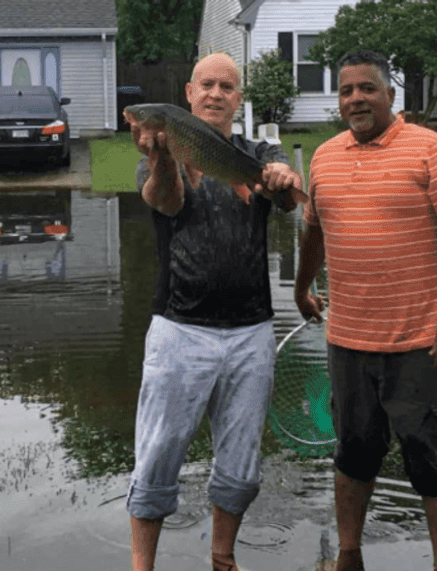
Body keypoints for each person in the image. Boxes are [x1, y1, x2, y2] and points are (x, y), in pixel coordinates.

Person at [294, 50, 437, 571]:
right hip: (348, 341)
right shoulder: (324, 157)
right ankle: (348, 556)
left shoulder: (432, 150)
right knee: (352, 457)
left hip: (420, 345)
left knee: (433, 464)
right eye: (346, 90)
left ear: (390, 95)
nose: (356, 98)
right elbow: (316, 230)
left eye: (367, 88)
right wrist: (301, 288)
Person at [127, 52, 303, 571]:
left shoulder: (256, 151)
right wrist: (163, 158)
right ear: (188, 93)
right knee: (158, 456)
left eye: (227, 86)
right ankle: (143, 567)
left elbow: (291, 198)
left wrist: (284, 177)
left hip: (251, 330)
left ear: (238, 98)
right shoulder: (161, 152)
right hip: (180, 328)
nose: (216, 94)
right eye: (207, 84)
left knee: (242, 463)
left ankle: (222, 559)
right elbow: (167, 203)